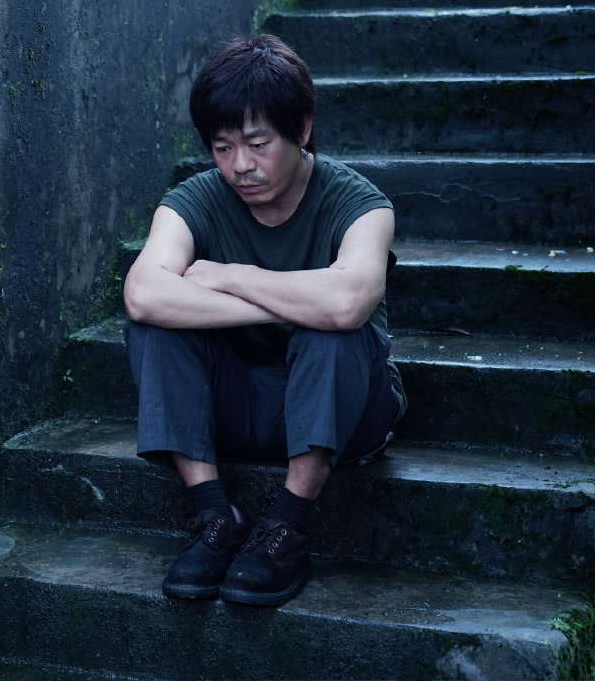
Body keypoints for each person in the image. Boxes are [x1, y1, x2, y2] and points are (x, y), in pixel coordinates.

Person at [122, 33, 406, 607]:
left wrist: (232, 275)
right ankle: (213, 515)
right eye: (222, 148)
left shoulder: (361, 204)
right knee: (155, 323)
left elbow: (346, 303)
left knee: (333, 328)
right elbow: (144, 294)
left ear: (301, 129)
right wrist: (293, 299)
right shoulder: (195, 200)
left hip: (346, 407)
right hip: (239, 402)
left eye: (257, 144)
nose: (240, 166)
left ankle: (287, 527)